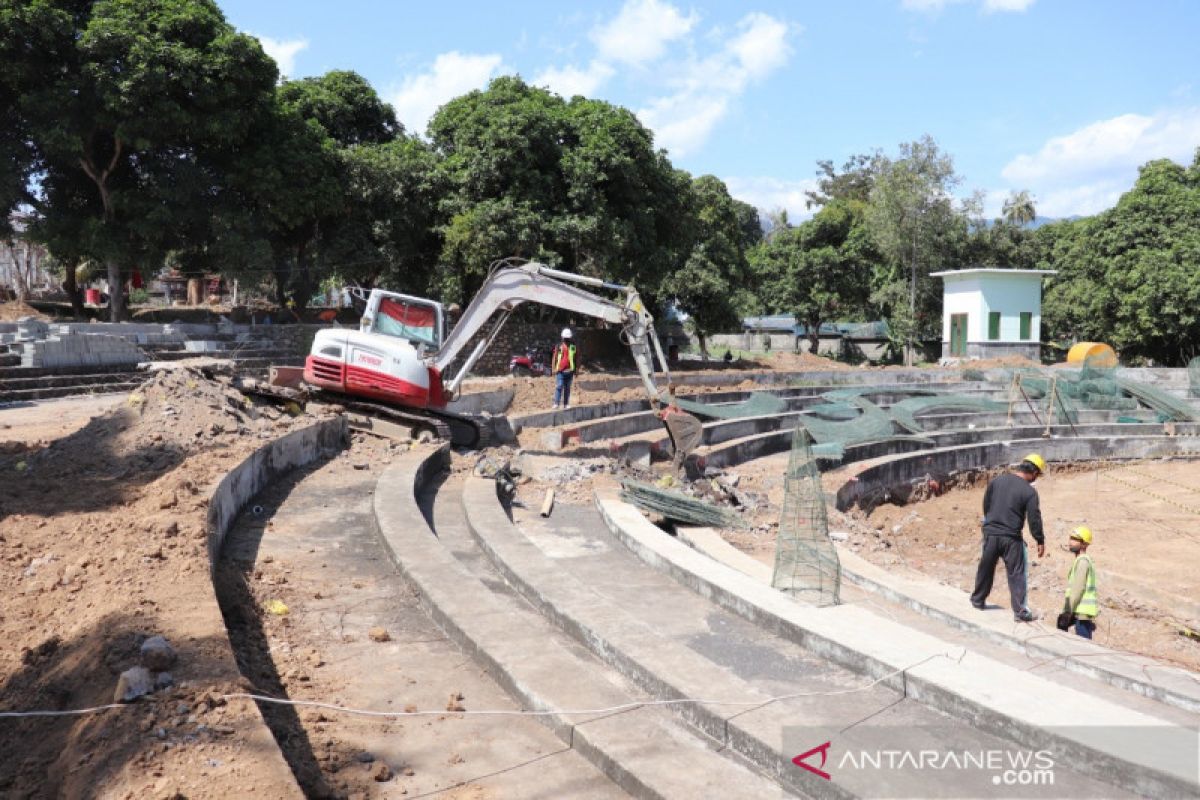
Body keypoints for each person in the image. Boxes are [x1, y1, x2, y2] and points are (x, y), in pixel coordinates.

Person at [970, 453, 1047, 622]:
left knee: (986, 567)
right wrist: (1039, 539)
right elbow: (1034, 518)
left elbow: (986, 504)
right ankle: (1020, 612)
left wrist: (991, 523)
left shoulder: (997, 481)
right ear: (1033, 472)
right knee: (1016, 573)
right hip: (1011, 538)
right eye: (1037, 474)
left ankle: (978, 600)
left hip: (991, 533)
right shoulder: (1029, 492)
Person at [1060, 526, 1099, 639]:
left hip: (1081, 613)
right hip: (1079, 611)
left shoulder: (1082, 562)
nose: (1070, 542)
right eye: (1071, 538)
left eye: (1075, 539)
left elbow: (1078, 589)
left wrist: (1068, 611)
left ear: (1084, 544)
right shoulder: (1081, 561)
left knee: (1083, 645)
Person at [551, 328, 576, 409]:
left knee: (567, 388)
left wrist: (577, 370)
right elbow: (554, 357)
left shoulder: (573, 346)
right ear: (562, 338)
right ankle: (556, 403)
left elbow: (577, 357)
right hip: (560, 371)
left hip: (570, 371)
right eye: (565, 338)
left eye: (568, 338)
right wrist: (553, 369)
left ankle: (566, 404)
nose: (566, 339)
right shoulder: (559, 346)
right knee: (559, 386)